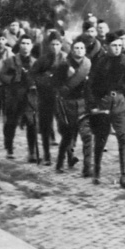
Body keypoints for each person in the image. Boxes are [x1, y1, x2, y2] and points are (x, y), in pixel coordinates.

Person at [86, 32, 125, 188]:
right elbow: (90, 85)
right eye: (114, 46)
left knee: (123, 137)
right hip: (103, 102)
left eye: (119, 46)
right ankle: (97, 172)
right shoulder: (100, 62)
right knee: (101, 138)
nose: (117, 49)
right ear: (107, 47)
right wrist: (93, 105)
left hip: (120, 101)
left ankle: (124, 176)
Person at [52, 39, 92, 174]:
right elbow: (54, 83)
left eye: (82, 48)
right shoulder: (64, 65)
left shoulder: (88, 65)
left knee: (87, 135)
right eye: (76, 48)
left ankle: (88, 167)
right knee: (68, 135)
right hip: (67, 103)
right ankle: (60, 163)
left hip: (83, 103)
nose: (79, 50)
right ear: (72, 50)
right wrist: (66, 81)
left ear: (85, 51)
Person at [0, 34, 39, 161]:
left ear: (31, 46)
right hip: (14, 96)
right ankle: (9, 149)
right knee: (11, 123)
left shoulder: (35, 62)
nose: (25, 46)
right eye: (23, 43)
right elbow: (2, 75)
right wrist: (15, 78)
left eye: (28, 44)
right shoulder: (11, 61)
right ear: (19, 45)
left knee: (32, 124)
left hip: (29, 97)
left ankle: (31, 152)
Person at [30, 31, 65, 165]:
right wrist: (43, 80)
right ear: (49, 45)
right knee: (45, 126)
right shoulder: (43, 59)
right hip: (45, 96)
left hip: (61, 97)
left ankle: (67, 153)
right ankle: (47, 155)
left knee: (64, 126)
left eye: (57, 44)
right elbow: (32, 74)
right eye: (52, 44)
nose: (55, 47)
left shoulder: (65, 58)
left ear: (61, 45)